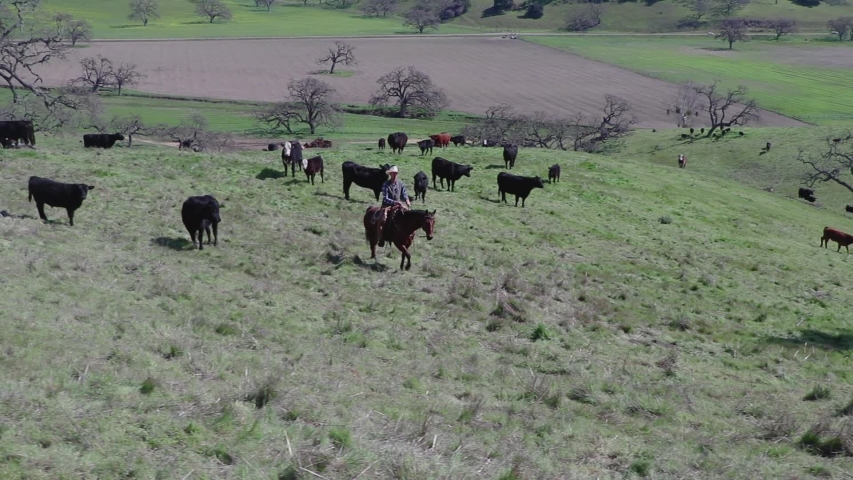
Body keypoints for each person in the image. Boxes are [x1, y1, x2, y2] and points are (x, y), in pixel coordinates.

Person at [374, 165, 411, 247]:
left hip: (398, 205)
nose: (394, 175)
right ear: (390, 174)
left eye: (395, 173)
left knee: (408, 216)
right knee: (382, 220)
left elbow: (404, 194)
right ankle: (381, 238)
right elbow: (385, 198)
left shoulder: (400, 184)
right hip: (387, 206)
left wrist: (407, 200)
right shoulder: (385, 184)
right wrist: (396, 202)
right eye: (393, 173)